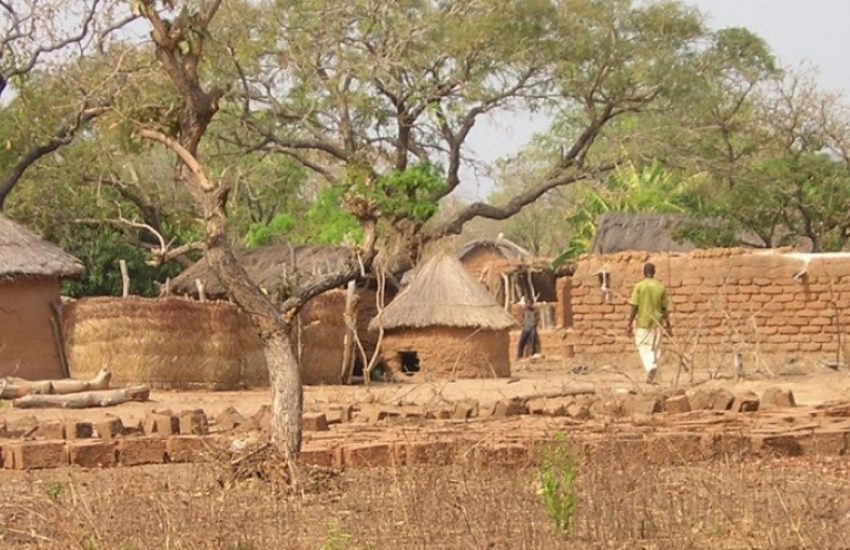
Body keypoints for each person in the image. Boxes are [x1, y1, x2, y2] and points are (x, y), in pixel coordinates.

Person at [626, 262, 671, 383]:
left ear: (644, 272)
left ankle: (651, 368)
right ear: (654, 273)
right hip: (657, 322)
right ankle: (656, 378)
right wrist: (669, 325)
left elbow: (634, 306)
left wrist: (629, 324)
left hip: (643, 322)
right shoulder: (660, 287)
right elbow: (664, 309)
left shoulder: (639, 286)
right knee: (656, 349)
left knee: (643, 347)